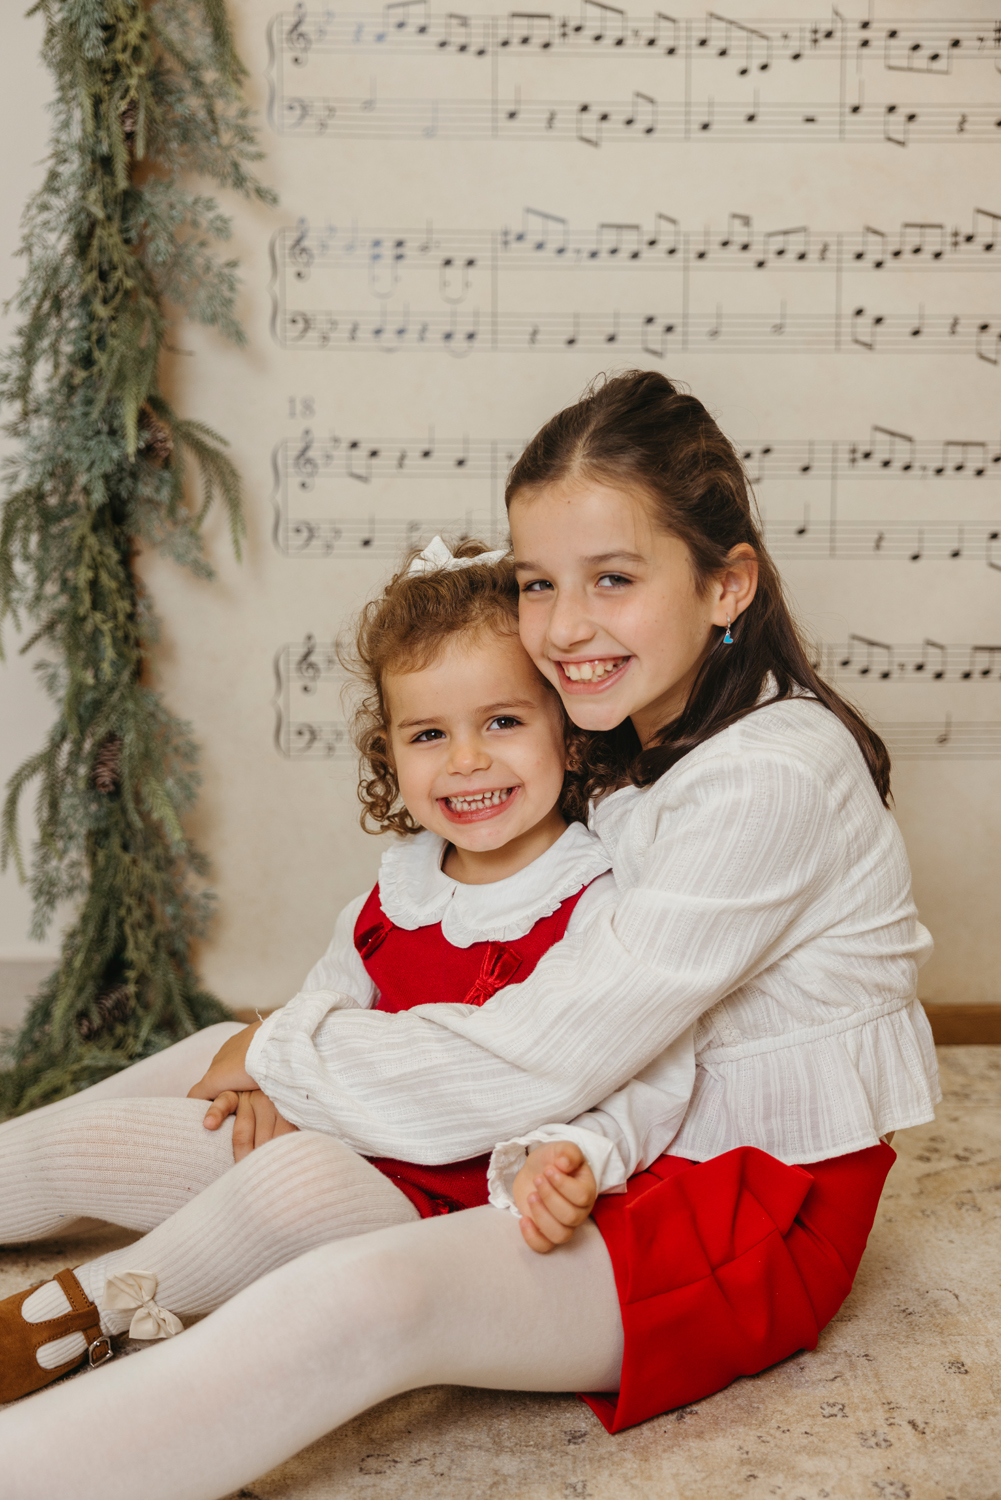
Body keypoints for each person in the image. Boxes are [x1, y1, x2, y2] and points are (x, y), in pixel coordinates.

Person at [0, 371, 939, 1500]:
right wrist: (275, 1053)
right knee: (216, 1072)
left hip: (734, 1208)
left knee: (359, 1297)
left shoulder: (769, 776)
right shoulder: (632, 731)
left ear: (724, 582)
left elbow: (540, 1057)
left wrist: (289, 1049)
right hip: (586, 1132)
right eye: (538, 582)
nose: (564, 626)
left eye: (613, 578)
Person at [0, 533, 694, 1404]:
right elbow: (328, 995)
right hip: (334, 1126)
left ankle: (70, 1321)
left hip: (440, 1196)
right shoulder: (400, 882)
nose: (466, 760)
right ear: (389, 752)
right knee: (105, 1142)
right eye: (429, 733)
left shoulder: (595, 896)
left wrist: (576, 1154)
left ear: (570, 730)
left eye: (503, 722)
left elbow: (646, 1071)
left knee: (290, 1183)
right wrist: (273, 1081)